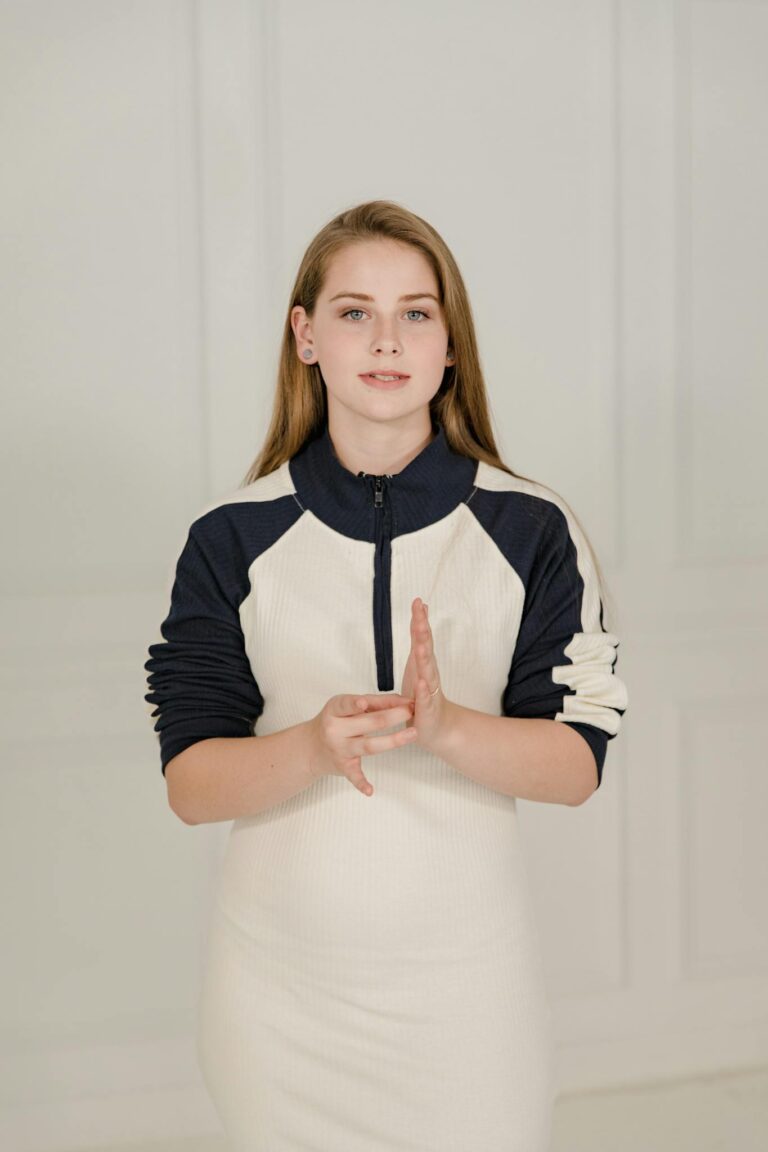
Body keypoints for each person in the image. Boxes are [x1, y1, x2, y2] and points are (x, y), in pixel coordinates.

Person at [144, 199, 628, 1150]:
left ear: (450, 346)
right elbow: (191, 786)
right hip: (276, 1000)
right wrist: (313, 746)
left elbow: (577, 766)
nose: (386, 339)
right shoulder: (228, 537)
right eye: (354, 311)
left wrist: (447, 728)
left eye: (416, 312)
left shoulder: (531, 529)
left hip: (470, 1000)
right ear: (306, 336)